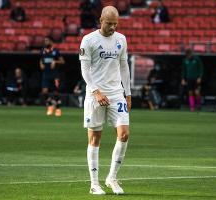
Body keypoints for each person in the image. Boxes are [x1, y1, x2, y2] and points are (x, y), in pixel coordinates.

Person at [79, 6, 131, 195]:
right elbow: (85, 71)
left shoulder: (121, 39)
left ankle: (112, 177)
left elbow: (124, 66)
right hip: (96, 95)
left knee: (124, 134)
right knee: (95, 139)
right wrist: (96, 91)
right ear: (101, 20)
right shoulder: (89, 40)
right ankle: (94, 184)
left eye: (115, 24)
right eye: (109, 23)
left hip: (117, 93)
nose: (113, 27)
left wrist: (128, 93)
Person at [40, 36, 65, 116]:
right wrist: (41, 64)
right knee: (44, 91)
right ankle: (50, 106)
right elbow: (41, 59)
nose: (45, 42)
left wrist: (55, 62)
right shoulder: (43, 51)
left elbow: (62, 61)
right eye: (45, 41)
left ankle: (58, 108)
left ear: (51, 42)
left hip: (54, 75)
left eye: (47, 40)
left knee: (55, 92)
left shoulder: (55, 51)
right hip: (46, 74)